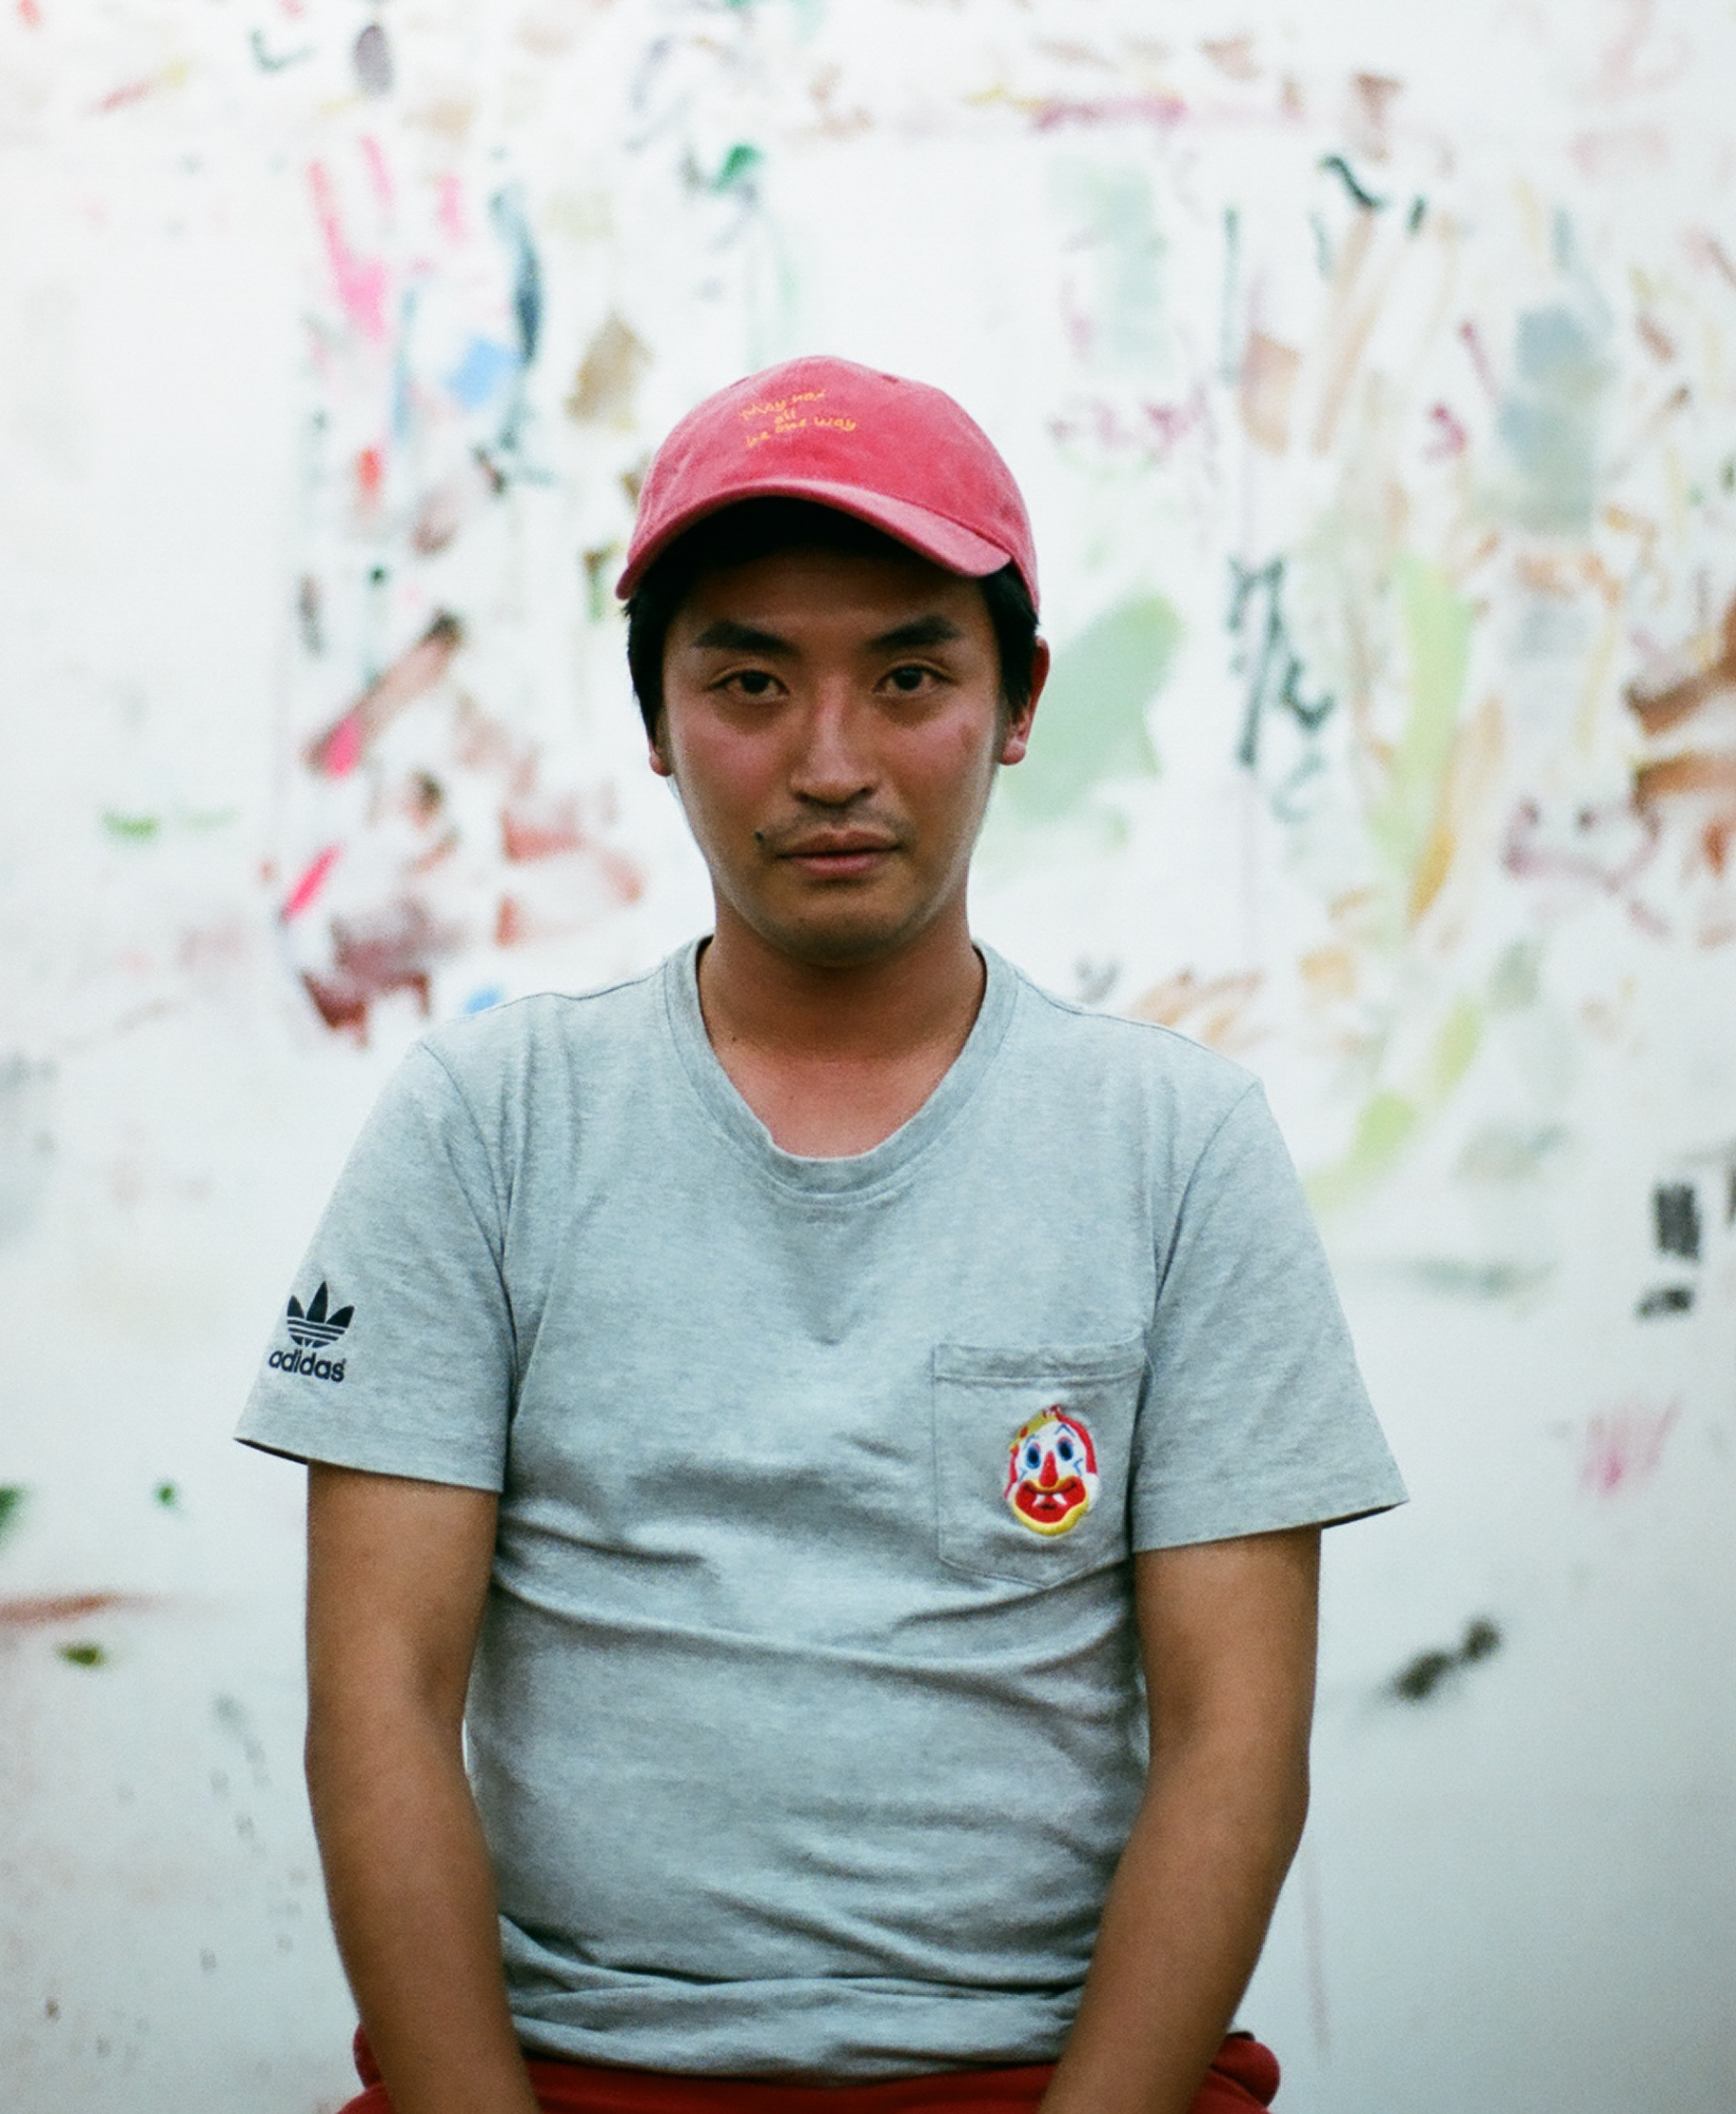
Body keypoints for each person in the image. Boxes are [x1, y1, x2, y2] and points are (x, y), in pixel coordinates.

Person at [237, 354, 1405, 2114]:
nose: (832, 761)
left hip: (1041, 2071)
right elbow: (379, 1703)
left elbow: (1237, 1737)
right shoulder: (487, 1125)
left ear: (1017, 700)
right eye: (752, 681)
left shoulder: (1176, 1147)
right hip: (576, 2071)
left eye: (911, 675)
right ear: (656, 717)